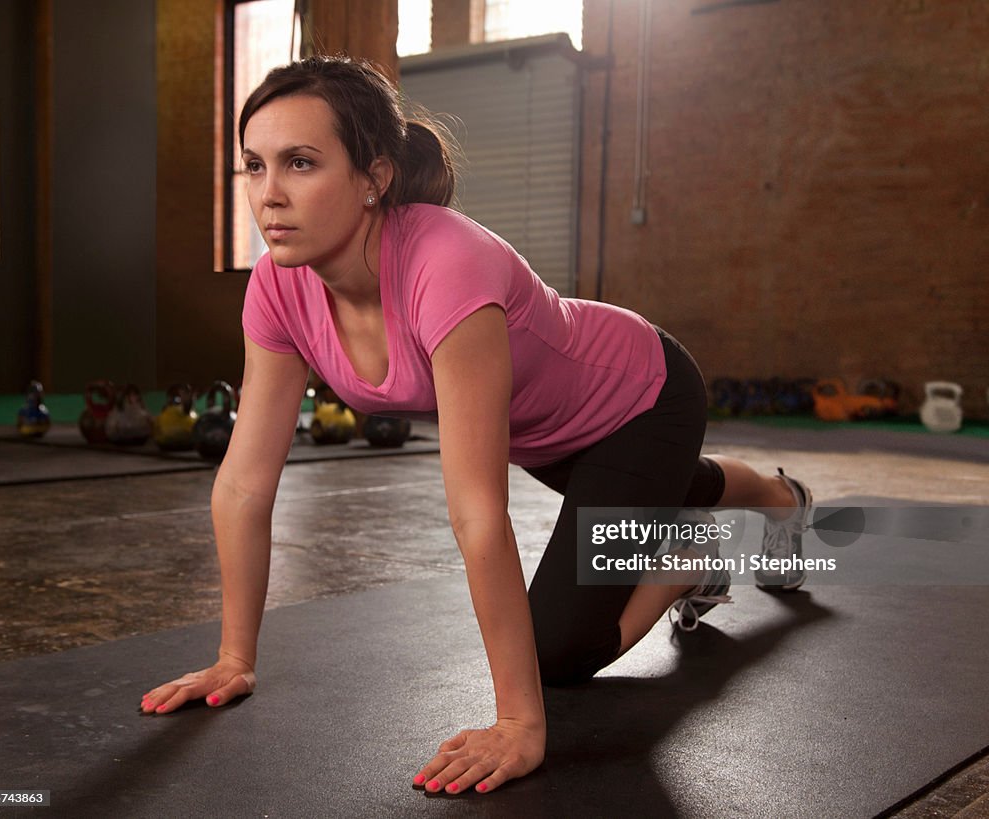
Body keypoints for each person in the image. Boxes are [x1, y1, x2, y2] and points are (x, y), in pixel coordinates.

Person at [140, 55, 812, 796]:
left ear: (375, 176)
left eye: (301, 163)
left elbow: (476, 512)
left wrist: (520, 723)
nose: (269, 195)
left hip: (644, 398)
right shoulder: (278, 285)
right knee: (655, 492)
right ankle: (778, 499)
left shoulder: (443, 259)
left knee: (559, 648)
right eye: (253, 166)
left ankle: (707, 543)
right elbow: (241, 483)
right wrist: (236, 655)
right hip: (552, 440)